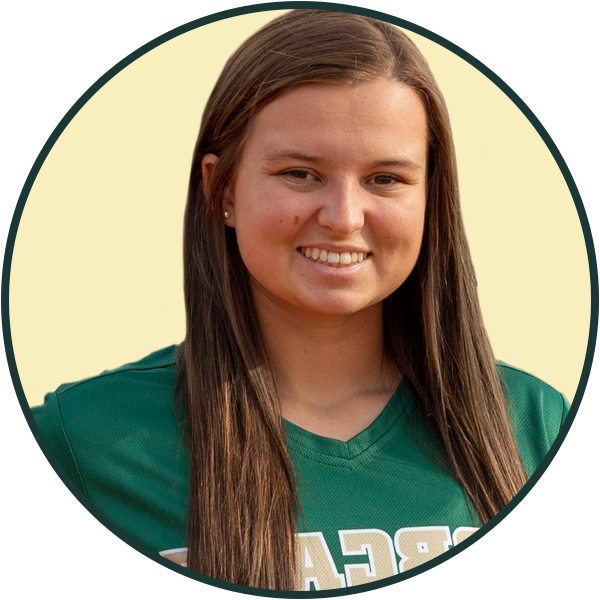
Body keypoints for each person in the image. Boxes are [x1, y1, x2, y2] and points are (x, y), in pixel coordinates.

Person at [31, 9, 570, 591]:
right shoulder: (84, 441)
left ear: (430, 199)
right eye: (300, 173)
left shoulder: (534, 424)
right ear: (222, 190)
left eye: (386, 179)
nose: (343, 217)